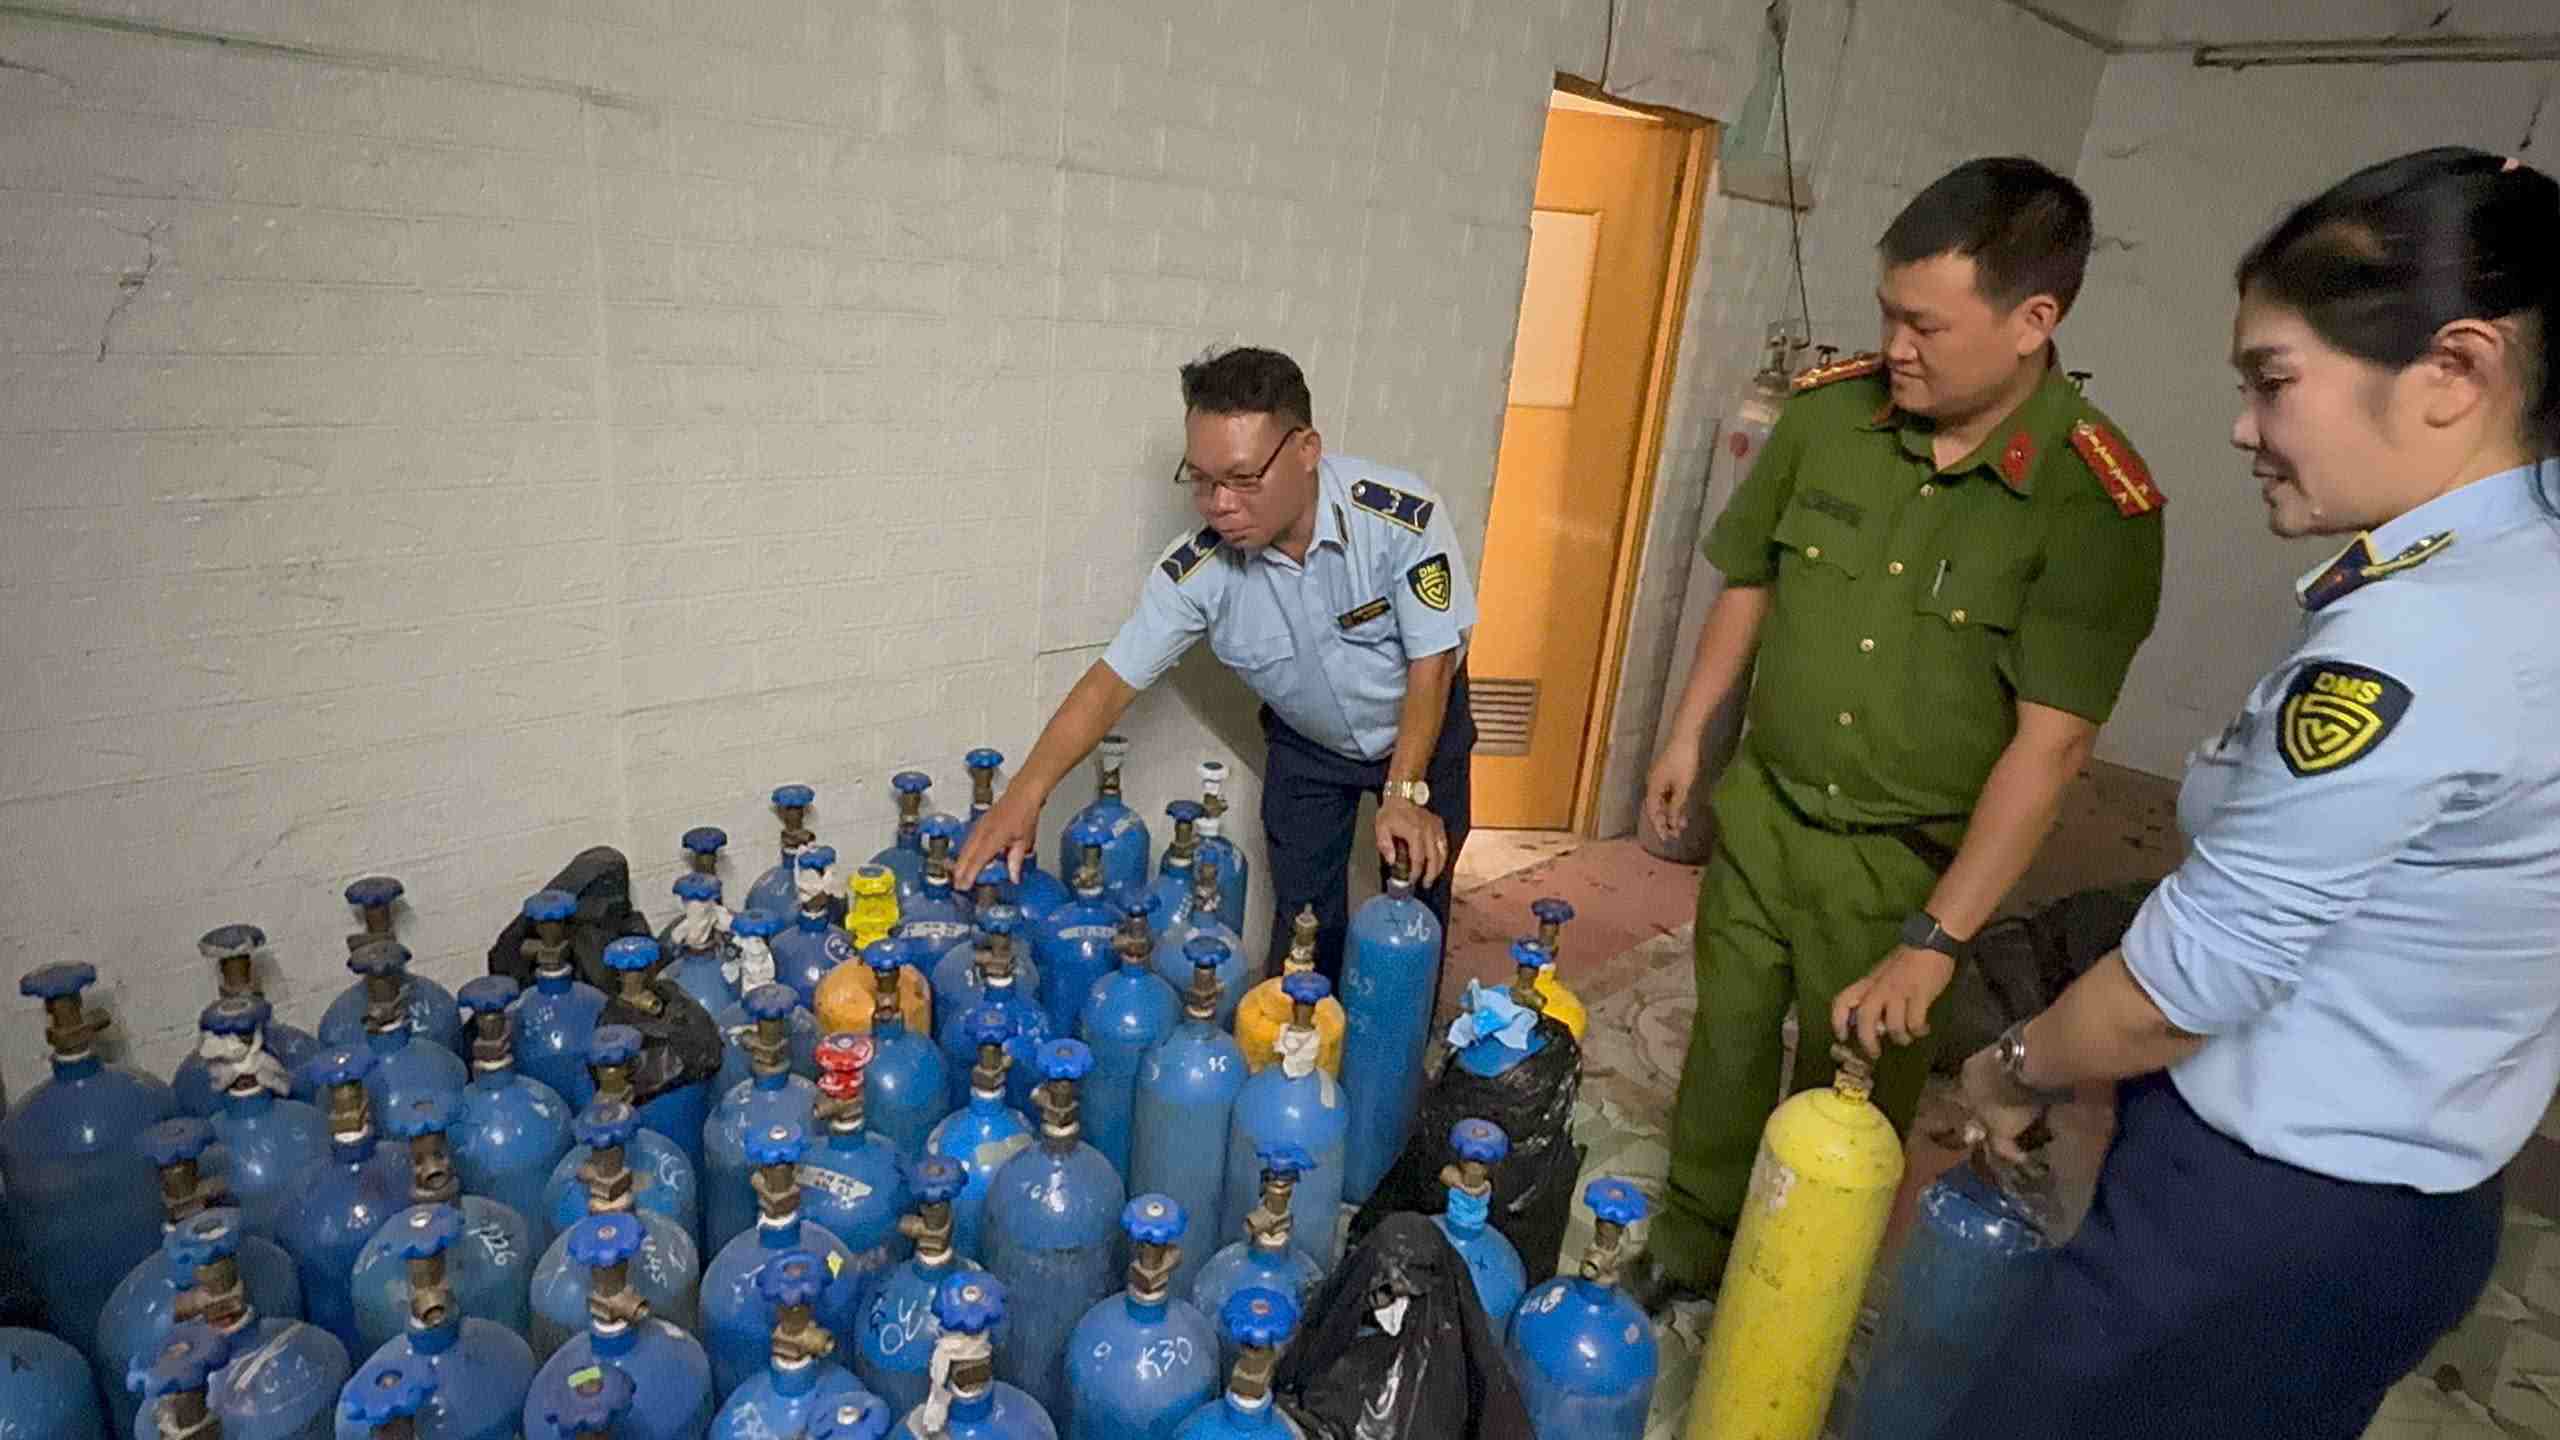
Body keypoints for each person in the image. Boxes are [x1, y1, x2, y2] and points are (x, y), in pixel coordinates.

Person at [1932, 147, 2560, 1439]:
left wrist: (2013, 1066)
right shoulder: (2524, 581)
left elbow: (2180, 991)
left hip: (2261, 1219)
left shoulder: (2418, 643)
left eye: (2274, 382)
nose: (2243, 426)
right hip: (2422, 1193)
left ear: (2456, 372)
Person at [1625, 156, 2168, 1308]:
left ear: (2035, 320)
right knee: (1724, 1040)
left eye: (1925, 323)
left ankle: (1796, 1292)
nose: (1897, 345)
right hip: (1766, 810)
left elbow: (2051, 746)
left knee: (1850, 1086)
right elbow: (1749, 583)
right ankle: (1689, 1243)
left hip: (1904, 860)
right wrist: (1686, 736)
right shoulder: (1829, 419)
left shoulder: (2092, 502)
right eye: (1887, 314)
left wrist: (1935, 937)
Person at [954, 346, 1477, 983]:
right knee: (1306, 922)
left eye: (1242, 479)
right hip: (1309, 748)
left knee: (1417, 909)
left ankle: (1400, 1067)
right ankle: (1302, 1062)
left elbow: (1431, 657)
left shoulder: (1398, 517)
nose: (1219, 503)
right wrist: (1024, 795)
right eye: (1200, 480)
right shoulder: (1198, 571)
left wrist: (1405, 790)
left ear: (1307, 450)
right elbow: (1108, 685)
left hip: (1423, 722)